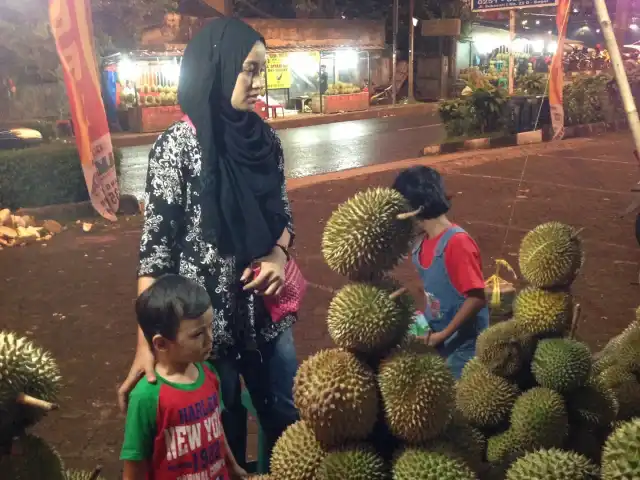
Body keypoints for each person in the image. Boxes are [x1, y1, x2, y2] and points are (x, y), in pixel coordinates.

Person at [117, 17, 299, 469]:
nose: (258, 82)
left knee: (286, 417)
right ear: (216, 68)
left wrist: (279, 254)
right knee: (222, 427)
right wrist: (146, 342)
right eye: (249, 70)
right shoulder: (176, 147)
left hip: (266, 316)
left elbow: (284, 217)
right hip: (205, 327)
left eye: (263, 70)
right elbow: (155, 251)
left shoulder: (266, 141)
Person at [121, 274, 247, 479]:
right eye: (198, 334)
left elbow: (216, 430)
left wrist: (232, 466)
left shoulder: (209, 374)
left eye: (211, 327)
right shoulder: (146, 397)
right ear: (161, 344)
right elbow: (135, 465)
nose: (210, 338)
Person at [392, 166, 488, 378]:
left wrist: (443, 334)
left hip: (464, 344)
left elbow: (477, 298)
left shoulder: (457, 243)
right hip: (434, 328)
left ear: (413, 209)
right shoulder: (420, 242)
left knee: (454, 400)